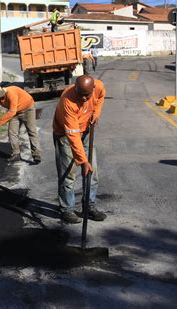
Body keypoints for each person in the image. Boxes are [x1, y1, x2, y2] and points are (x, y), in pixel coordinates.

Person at [52, 75, 107, 224]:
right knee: (69, 174)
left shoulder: (99, 86)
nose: (83, 99)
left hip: (86, 131)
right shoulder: (68, 101)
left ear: (93, 88)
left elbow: (101, 97)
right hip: (65, 135)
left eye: (86, 96)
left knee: (92, 172)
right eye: (80, 95)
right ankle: (67, 209)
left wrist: (96, 113)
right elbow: (73, 136)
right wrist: (82, 161)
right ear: (75, 89)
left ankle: (89, 206)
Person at [0, 85, 41, 164]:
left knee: (31, 131)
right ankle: (16, 154)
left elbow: (12, 112)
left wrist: (0, 122)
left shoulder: (11, 93)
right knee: (12, 132)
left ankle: (36, 155)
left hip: (27, 109)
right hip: (15, 112)